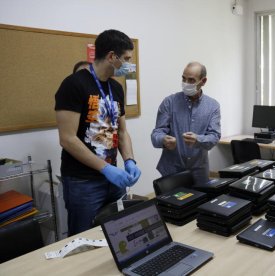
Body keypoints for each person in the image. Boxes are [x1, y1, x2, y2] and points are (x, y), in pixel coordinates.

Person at [55, 29, 141, 236]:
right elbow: (67, 139)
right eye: (127, 58)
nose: (129, 64)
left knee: (118, 234)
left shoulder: (116, 88)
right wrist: (105, 168)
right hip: (83, 182)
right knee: (84, 239)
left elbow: (122, 132)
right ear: (112, 56)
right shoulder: (74, 84)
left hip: (114, 179)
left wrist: (130, 160)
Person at [151, 62, 221, 185]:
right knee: (171, 203)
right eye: (183, 78)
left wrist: (198, 139)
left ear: (203, 81)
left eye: (191, 80)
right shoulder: (169, 102)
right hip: (171, 170)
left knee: (200, 204)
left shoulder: (213, 106)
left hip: (199, 172)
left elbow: (214, 136)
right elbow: (156, 133)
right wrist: (163, 140)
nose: (186, 83)